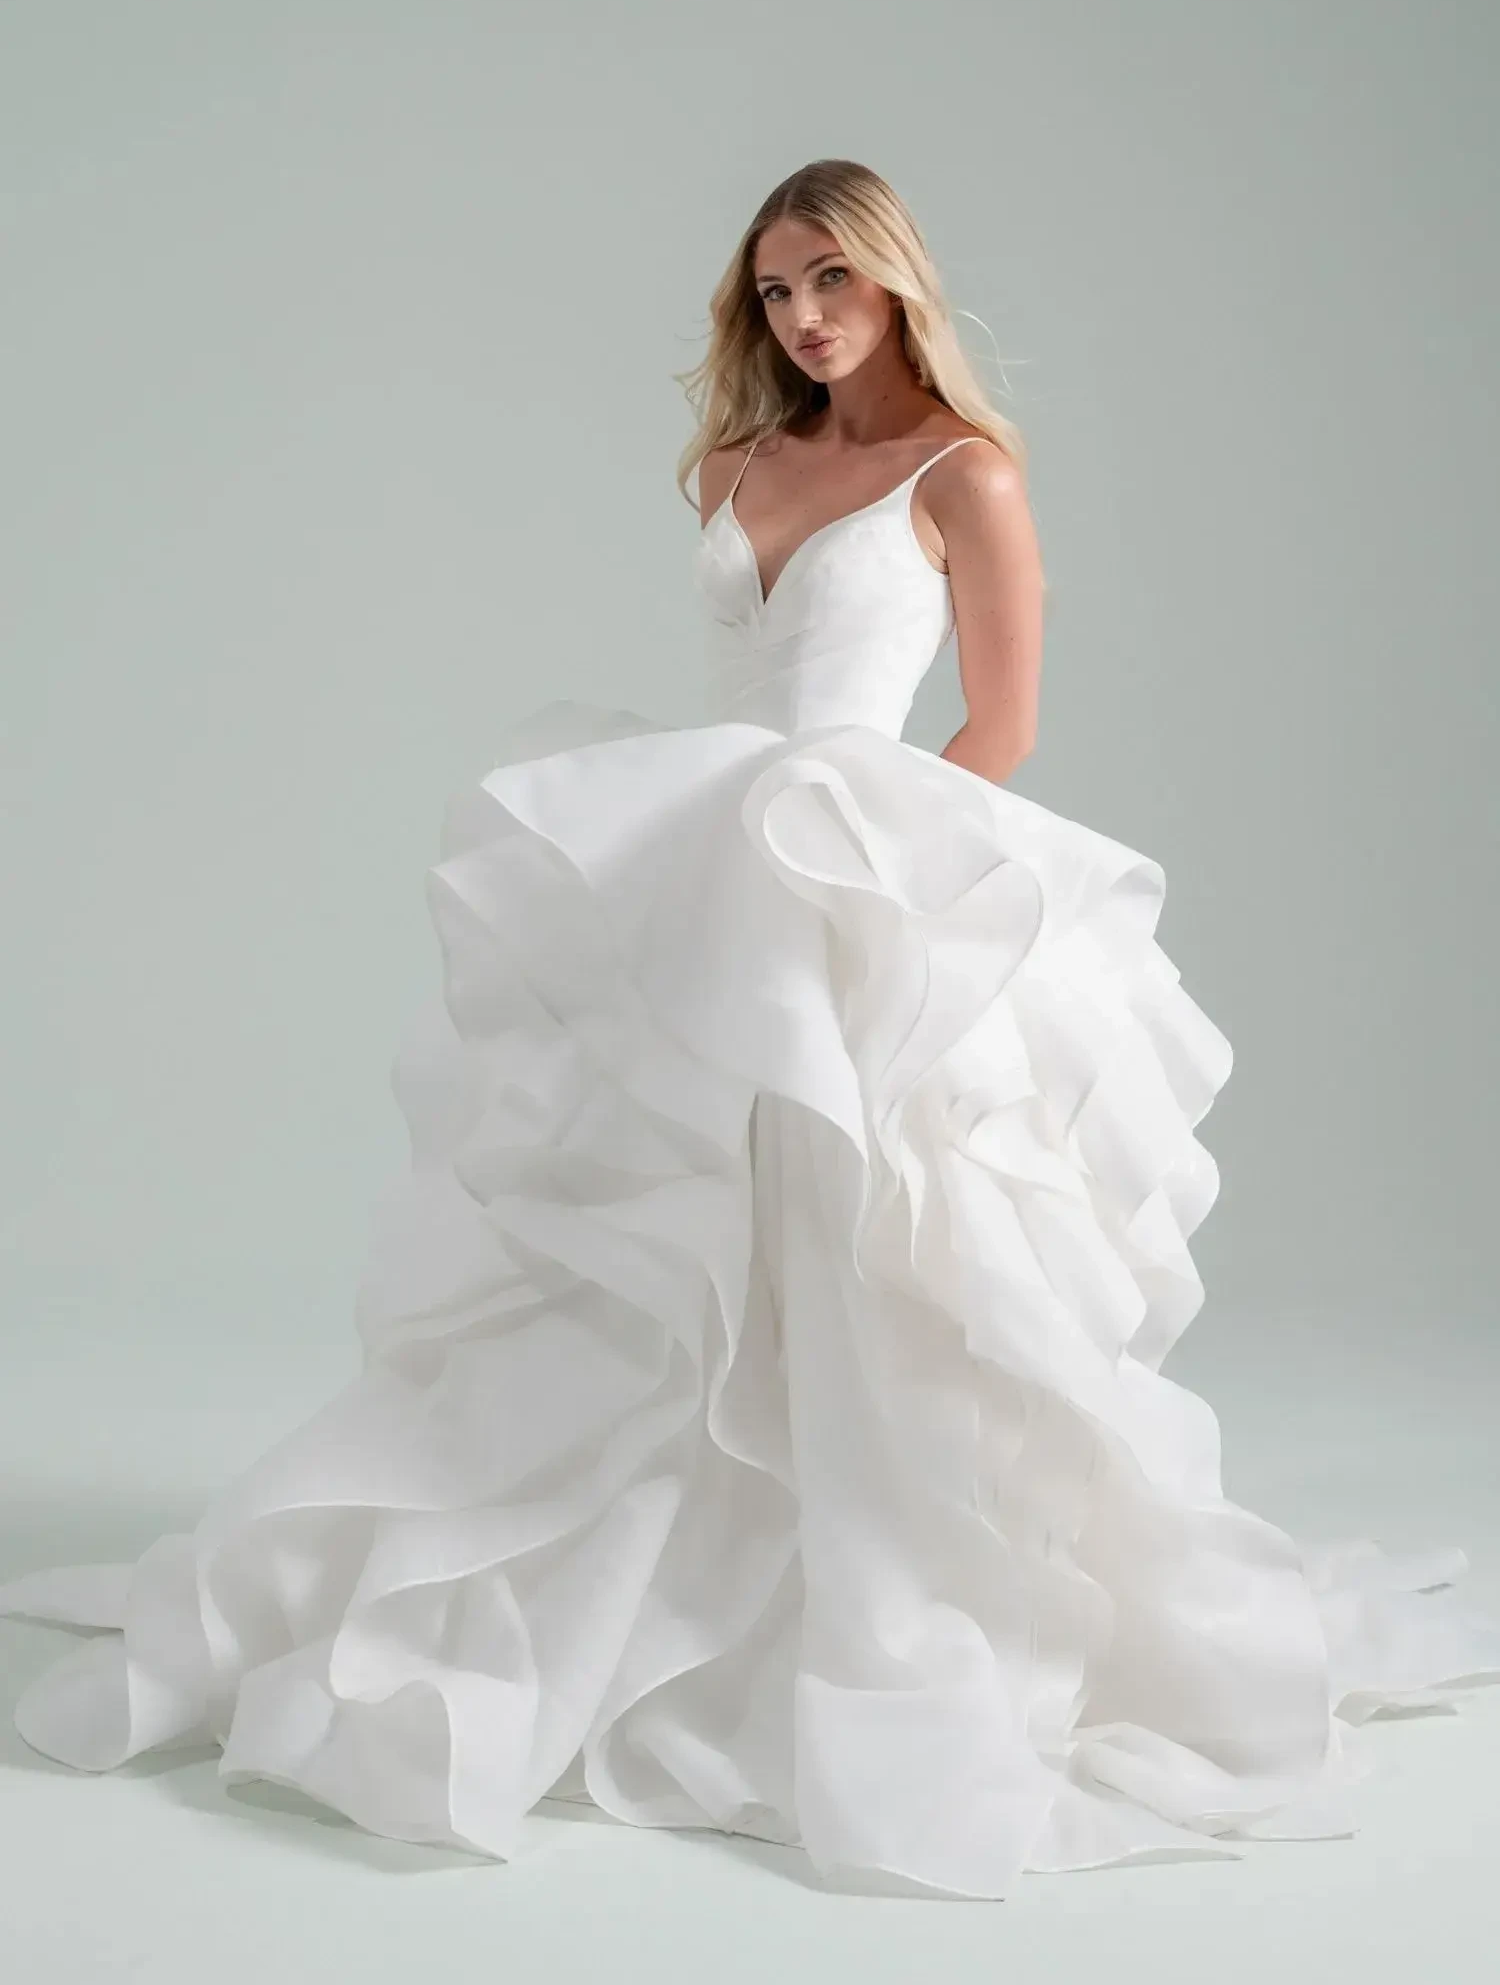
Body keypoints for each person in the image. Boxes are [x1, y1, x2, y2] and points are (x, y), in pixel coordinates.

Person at [3, 157, 1497, 1903]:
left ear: (895, 283)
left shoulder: (967, 475)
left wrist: (880, 907)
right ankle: (658, 1603)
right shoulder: (725, 467)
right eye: (775, 289)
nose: (800, 317)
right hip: (702, 880)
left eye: (829, 284)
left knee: (872, 1262)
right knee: (664, 1258)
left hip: (860, 893)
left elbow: (999, 726)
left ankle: (879, 1624)